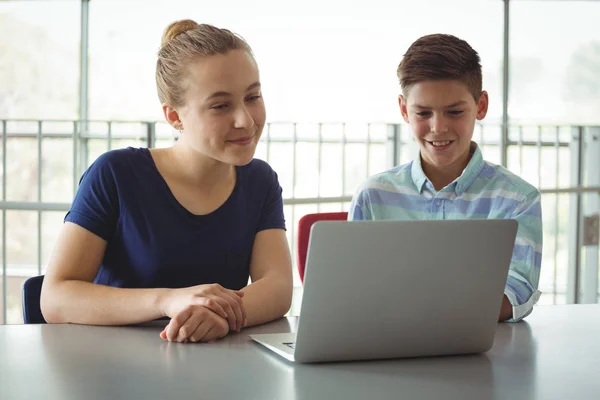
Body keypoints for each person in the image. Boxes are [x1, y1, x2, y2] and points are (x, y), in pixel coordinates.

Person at [41, 20, 293, 342]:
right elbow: (56, 297)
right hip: (114, 372)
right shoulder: (115, 174)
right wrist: (168, 300)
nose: (245, 120)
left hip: (216, 372)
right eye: (220, 106)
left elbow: (277, 286)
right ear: (174, 116)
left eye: (253, 97)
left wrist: (217, 316)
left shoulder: (261, 180)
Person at [348, 34, 542, 322]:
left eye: (454, 112)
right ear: (404, 110)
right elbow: (352, 287)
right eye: (423, 113)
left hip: (482, 353)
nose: (438, 128)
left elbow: (518, 290)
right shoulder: (372, 195)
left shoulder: (518, 200)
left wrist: (427, 312)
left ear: (481, 106)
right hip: (388, 347)